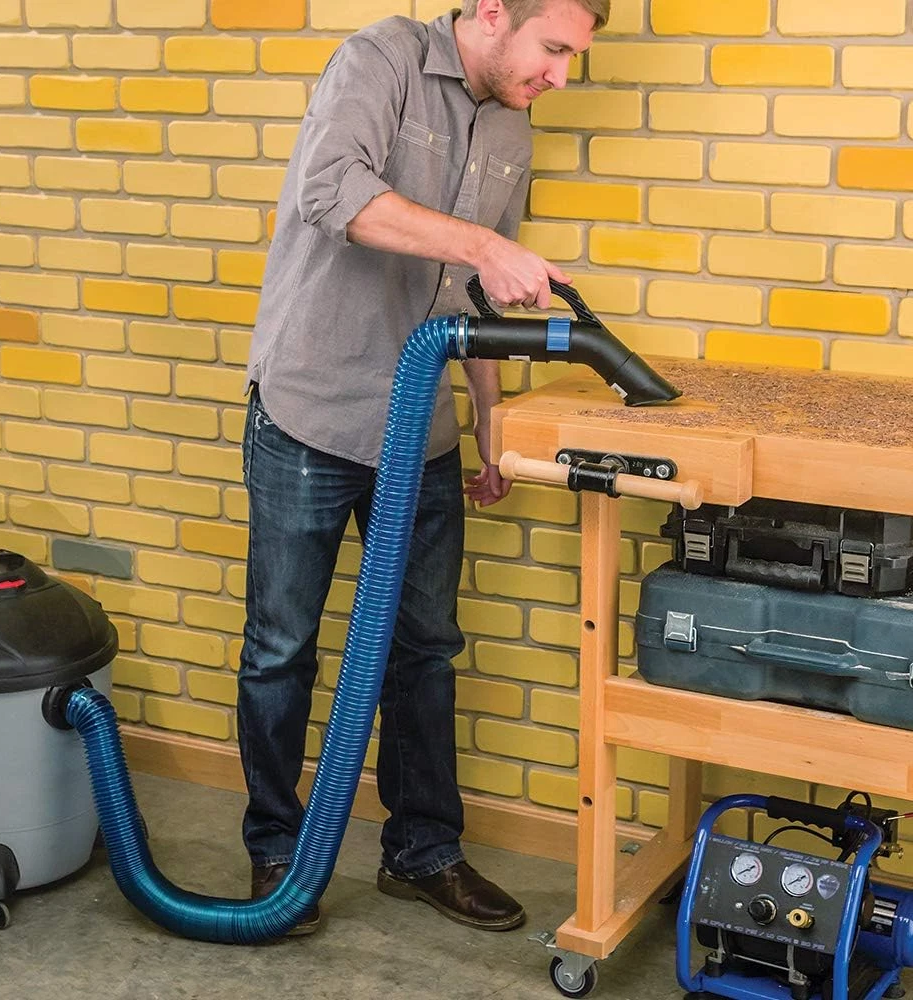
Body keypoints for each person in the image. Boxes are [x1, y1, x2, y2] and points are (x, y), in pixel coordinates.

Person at [238, 0, 610, 936]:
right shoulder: (382, 61)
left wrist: (488, 416)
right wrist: (487, 243)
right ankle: (278, 852)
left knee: (425, 647)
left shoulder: (513, 126)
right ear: (493, 13)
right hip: (311, 409)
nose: (561, 75)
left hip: (421, 430)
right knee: (282, 648)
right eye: (553, 48)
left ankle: (423, 851)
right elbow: (333, 191)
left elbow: (477, 295)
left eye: (573, 56)